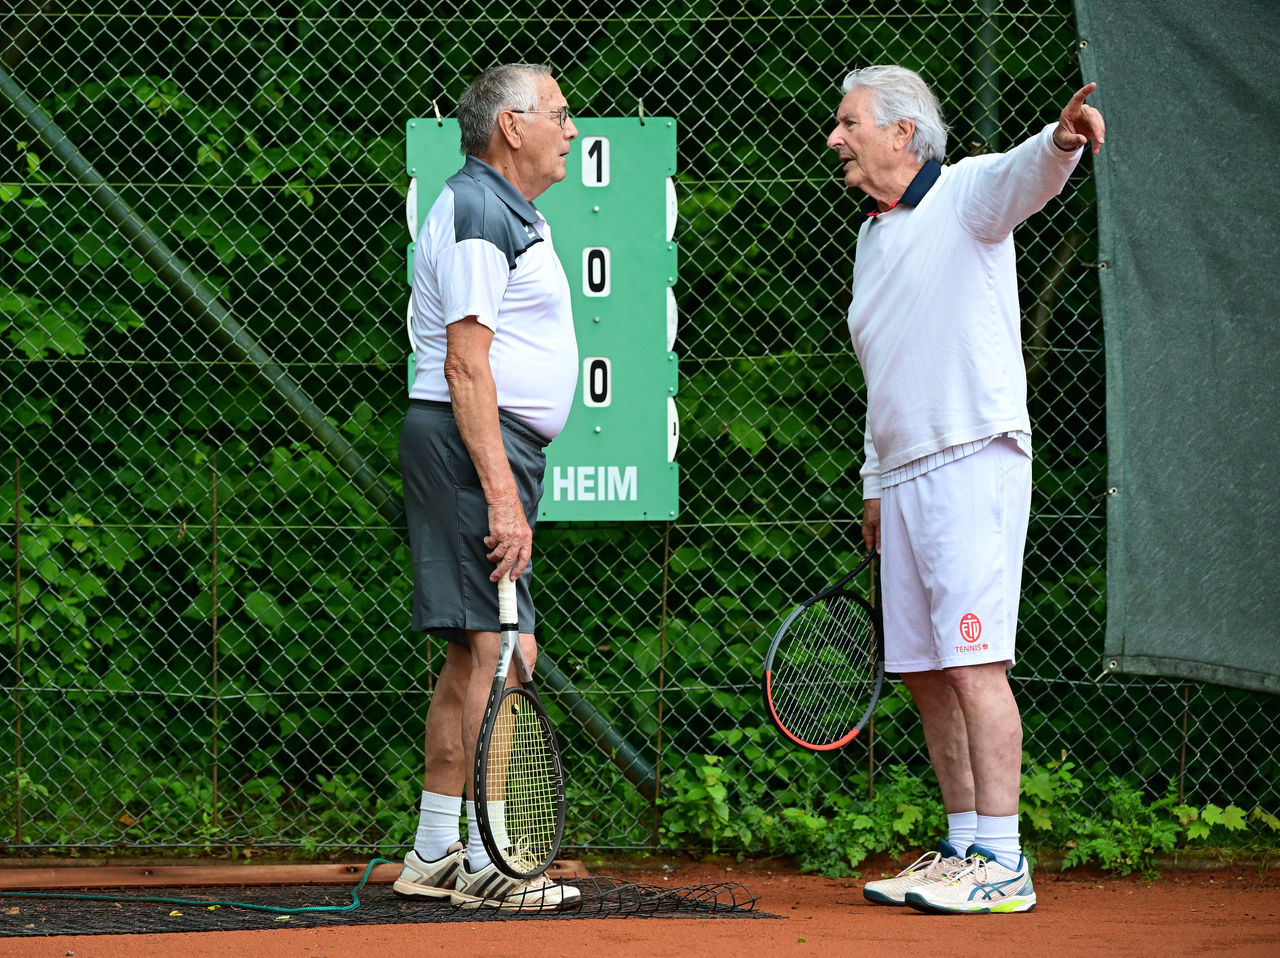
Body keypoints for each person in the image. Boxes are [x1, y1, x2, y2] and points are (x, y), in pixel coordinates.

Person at [825, 65, 1104, 914]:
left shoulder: (968, 194)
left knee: (974, 663)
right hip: (902, 474)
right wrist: (875, 483)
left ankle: (1005, 860)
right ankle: (961, 845)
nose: (836, 138)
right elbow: (885, 375)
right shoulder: (875, 238)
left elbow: (1028, 172)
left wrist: (1062, 141)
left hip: (971, 458)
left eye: (849, 123)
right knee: (924, 671)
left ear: (904, 134)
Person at [393, 63, 581, 911]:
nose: (570, 130)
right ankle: (493, 863)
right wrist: (502, 496)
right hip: (476, 449)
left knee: (473, 650)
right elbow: (467, 365)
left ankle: (438, 849)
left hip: (477, 448)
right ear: (511, 126)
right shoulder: (478, 209)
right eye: (559, 114)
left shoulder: (498, 207)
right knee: (506, 651)